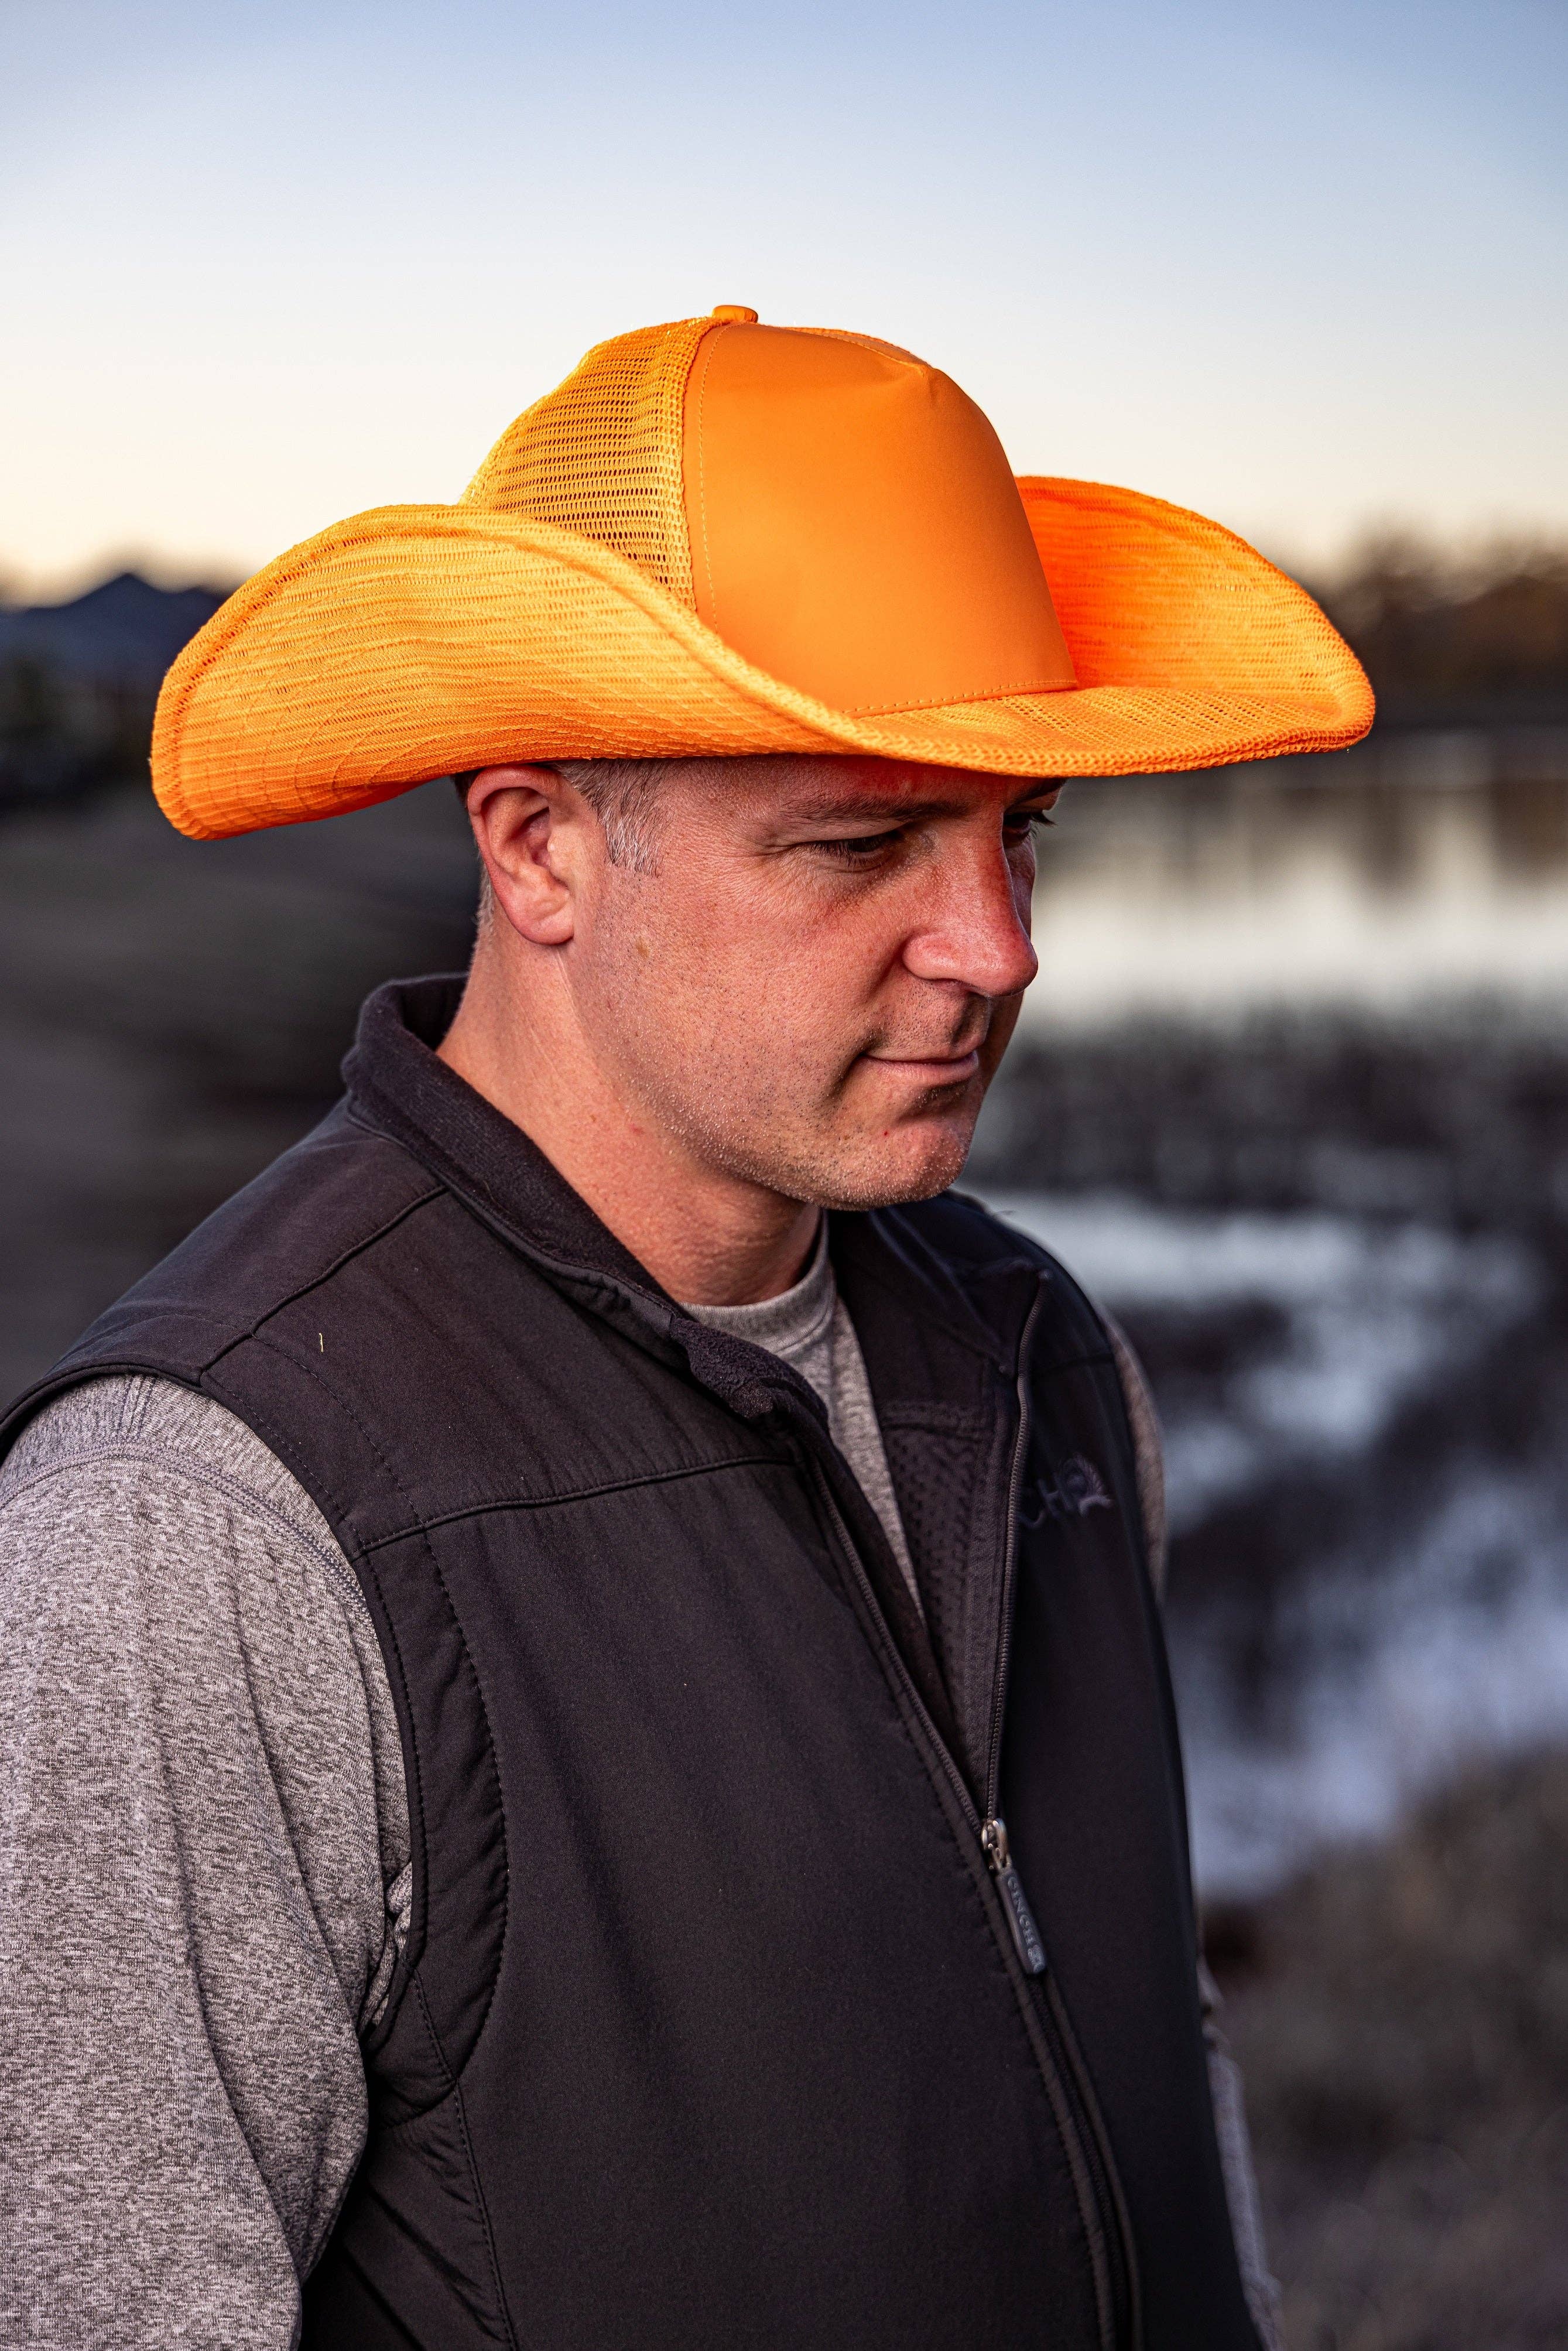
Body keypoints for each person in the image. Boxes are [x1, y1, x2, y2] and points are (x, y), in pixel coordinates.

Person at [0, 309, 1371, 2350]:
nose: (998, 947)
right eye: (859, 842)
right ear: (539, 843)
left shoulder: (1047, 1362)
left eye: (1020, 832)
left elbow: (1157, 2047)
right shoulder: (193, 1521)